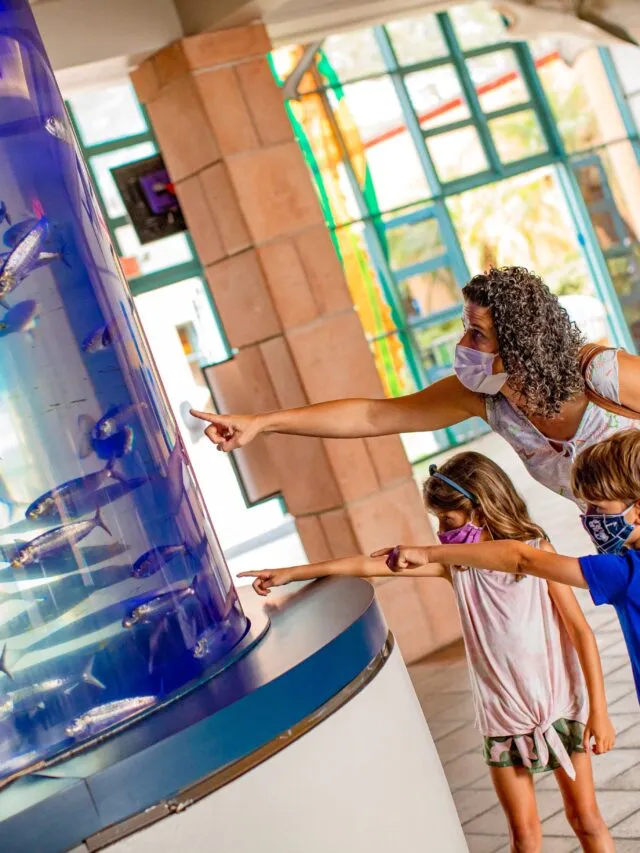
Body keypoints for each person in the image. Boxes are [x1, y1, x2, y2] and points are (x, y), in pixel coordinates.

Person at [239, 452, 616, 853]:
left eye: (448, 521)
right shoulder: (453, 567)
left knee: (585, 819)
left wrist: (600, 712)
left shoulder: (536, 551)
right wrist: (293, 573)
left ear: (480, 510)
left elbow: (581, 632)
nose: (440, 533)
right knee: (523, 838)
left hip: (559, 706)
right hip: (503, 719)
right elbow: (370, 566)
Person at [191, 266, 640, 506]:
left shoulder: (601, 375)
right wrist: (263, 424)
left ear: (520, 343)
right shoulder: (489, 399)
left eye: (477, 334)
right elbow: (374, 414)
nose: (463, 345)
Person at [379, 429, 640, 713]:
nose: (590, 516)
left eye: (598, 507)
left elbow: (521, 558)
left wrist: (429, 553)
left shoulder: (623, 573)